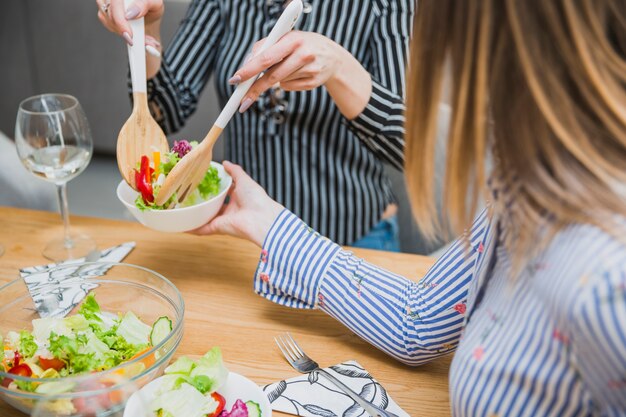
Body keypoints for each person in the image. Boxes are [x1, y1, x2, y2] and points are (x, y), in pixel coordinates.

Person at [193, 1, 626, 415]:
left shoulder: (606, 277)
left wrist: (339, 68)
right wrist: (264, 220)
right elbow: (417, 321)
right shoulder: (524, 192)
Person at [96, 0, 415, 251]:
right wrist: (146, 29)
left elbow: (407, 147)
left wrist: (338, 67)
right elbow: (164, 112)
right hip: (250, 239)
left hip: (352, 239)